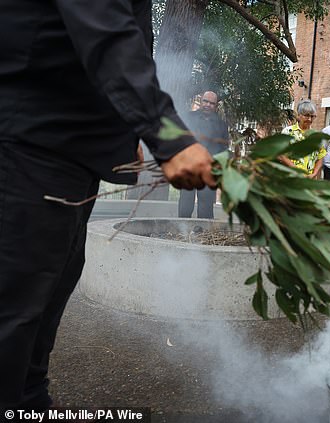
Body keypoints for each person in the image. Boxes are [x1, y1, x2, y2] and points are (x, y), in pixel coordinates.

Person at [0, 0, 217, 414]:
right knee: (14, 313)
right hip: (27, 145)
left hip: (65, 156)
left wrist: (121, 131)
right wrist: (168, 136)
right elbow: (107, 33)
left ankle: (30, 402)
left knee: (46, 301)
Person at [178, 91, 230, 218]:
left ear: (216, 106)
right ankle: (182, 229)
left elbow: (223, 148)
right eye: (205, 101)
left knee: (206, 204)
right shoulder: (188, 117)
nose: (208, 105)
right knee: (185, 202)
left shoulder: (221, 125)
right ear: (201, 101)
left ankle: (204, 234)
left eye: (211, 103)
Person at [280, 100, 327, 179]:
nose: (309, 119)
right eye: (306, 115)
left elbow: (320, 157)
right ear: (298, 115)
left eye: (312, 116)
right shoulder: (288, 132)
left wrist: (314, 174)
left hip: (309, 179)